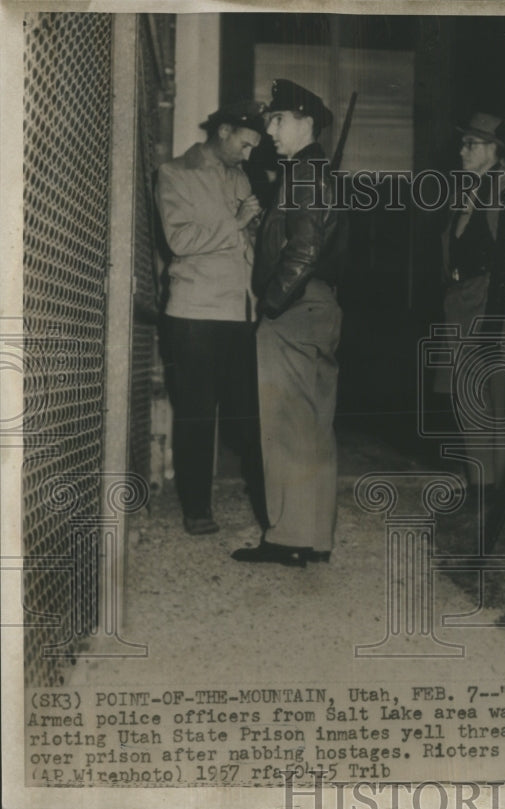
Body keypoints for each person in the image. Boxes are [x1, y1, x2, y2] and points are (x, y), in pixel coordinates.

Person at [231, 79, 346, 567]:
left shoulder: (304, 172)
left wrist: (273, 304)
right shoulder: (309, 170)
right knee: (314, 424)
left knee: (286, 424)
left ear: (304, 122)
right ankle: (314, 536)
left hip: (295, 308)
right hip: (318, 305)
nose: (270, 130)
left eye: (277, 120)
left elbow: (304, 249)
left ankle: (288, 537)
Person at [155, 101, 267, 535]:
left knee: (248, 413)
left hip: (240, 313)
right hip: (195, 314)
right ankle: (197, 509)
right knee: (197, 415)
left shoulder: (240, 176)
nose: (249, 153)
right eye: (246, 142)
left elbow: (246, 244)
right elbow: (179, 240)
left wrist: (255, 233)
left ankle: (265, 506)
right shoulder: (175, 173)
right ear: (223, 130)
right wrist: (237, 222)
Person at [436, 113, 505, 504]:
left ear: (495, 150)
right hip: (461, 299)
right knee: (467, 393)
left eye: (472, 144)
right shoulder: (466, 189)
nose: (462, 150)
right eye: (463, 143)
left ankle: (500, 490)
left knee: (496, 395)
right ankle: (480, 484)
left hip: (490, 300)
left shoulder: (503, 190)